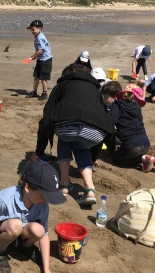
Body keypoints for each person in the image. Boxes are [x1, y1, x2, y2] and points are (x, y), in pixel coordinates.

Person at [34, 64, 115, 205]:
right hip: (97, 132)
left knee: (65, 137)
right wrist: (94, 157)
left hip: (66, 128)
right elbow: (102, 118)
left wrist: (39, 152)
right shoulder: (95, 89)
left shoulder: (61, 85)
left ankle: (64, 184)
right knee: (81, 146)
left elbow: (46, 117)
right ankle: (90, 188)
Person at [110, 84, 155, 172]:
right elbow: (140, 121)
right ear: (136, 98)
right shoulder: (137, 107)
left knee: (116, 159)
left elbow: (112, 120)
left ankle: (144, 159)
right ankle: (152, 159)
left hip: (131, 144)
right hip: (145, 142)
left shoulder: (117, 104)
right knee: (131, 152)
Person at [25, 20, 53, 100]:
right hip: (41, 59)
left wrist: (32, 58)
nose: (32, 31)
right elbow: (39, 51)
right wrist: (34, 56)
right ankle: (34, 91)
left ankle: (44, 93)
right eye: (31, 29)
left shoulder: (40, 38)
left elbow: (40, 51)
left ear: (39, 29)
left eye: (33, 29)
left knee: (43, 78)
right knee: (36, 76)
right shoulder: (37, 36)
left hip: (46, 60)